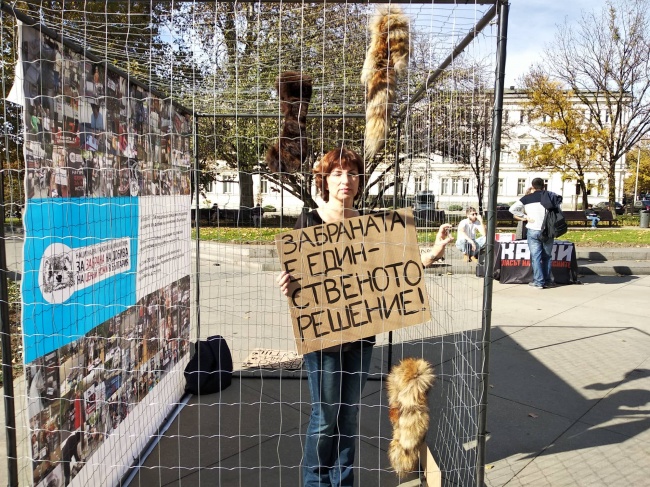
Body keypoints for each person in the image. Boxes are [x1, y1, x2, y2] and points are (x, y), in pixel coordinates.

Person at [277, 147, 451, 486]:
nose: (346, 180)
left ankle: (343, 480)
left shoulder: (371, 226)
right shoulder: (310, 220)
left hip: (360, 336)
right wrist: (286, 283)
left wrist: (431, 254)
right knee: (325, 416)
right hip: (324, 338)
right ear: (324, 181)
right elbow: (295, 276)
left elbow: (395, 272)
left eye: (352, 173)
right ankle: (315, 481)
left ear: (359, 181)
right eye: (338, 173)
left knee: (349, 414)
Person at [509, 177, 557, 289]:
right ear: (544, 186)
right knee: (547, 257)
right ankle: (548, 280)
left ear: (532, 186)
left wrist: (525, 217)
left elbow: (512, 209)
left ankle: (539, 282)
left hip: (533, 229)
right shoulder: (550, 197)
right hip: (548, 230)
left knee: (536, 257)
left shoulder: (527, 198)